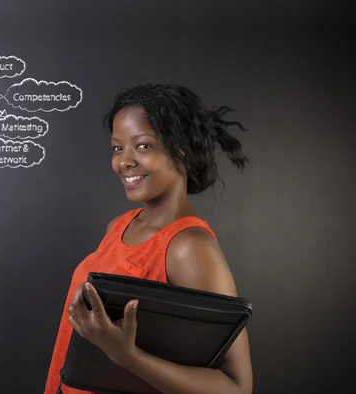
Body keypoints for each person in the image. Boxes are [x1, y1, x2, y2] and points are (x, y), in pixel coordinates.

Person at [43, 84, 253, 394]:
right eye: (117, 148)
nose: (124, 162)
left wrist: (128, 356)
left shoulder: (188, 248)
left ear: (182, 149)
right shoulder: (118, 226)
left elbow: (237, 388)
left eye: (142, 146)